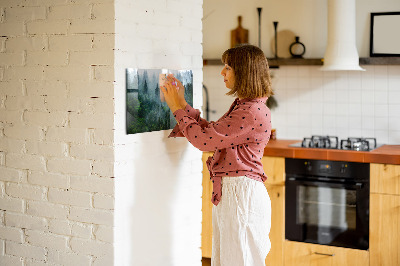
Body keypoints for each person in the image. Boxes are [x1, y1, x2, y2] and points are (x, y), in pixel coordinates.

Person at [161, 44, 273, 266]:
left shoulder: (250, 111)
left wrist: (176, 107)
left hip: (241, 195)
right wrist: (182, 104)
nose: (222, 72)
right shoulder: (246, 106)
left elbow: (204, 141)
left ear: (244, 72)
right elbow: (212, 133)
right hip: (236, 193)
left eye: (228, 67)